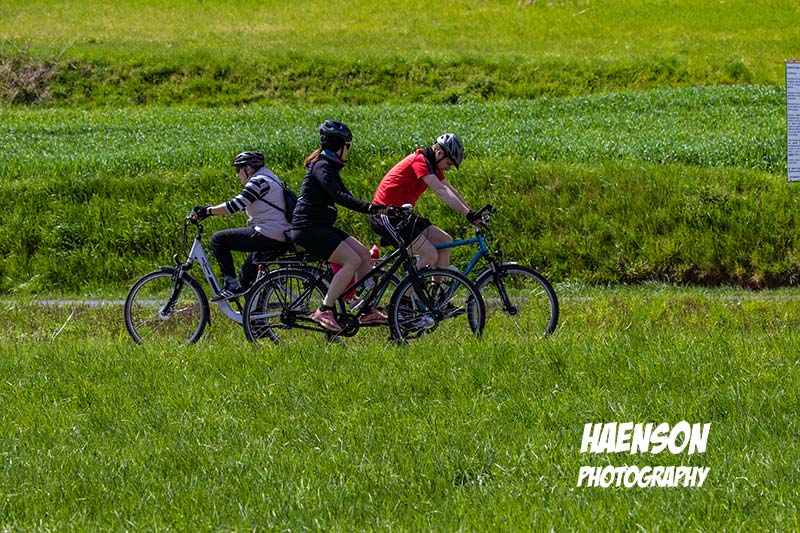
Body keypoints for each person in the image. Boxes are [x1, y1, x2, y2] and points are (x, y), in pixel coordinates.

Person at [289, 120, 389, 332]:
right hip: (308, 229)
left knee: (363, 254)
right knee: (351, 260)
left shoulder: (330, 166)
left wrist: (378, 208)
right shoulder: (322, 166)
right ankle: (324, 310)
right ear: (338, 146)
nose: (349, 150)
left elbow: (347, 196)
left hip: (320, 226)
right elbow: (339, 196)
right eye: (347, 145)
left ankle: (364, 309)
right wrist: (373, 208)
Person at [370, 133, 480, 268]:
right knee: (429, 255)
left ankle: (438, 283)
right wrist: (467, 214)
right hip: (385, 215)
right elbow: (441, 190)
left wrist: (471, 212)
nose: (448, 168)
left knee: (445, 242)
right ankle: (409, 282)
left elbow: (450, 189)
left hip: (402, 215)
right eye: (449, 163)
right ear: (439, 153)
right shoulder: (420, 160)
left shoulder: (432, 166)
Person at [192, 151, 290, 301]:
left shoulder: (258, 181)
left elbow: (235, 205)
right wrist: (211, 209)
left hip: (268, 233)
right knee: (246, 276)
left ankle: (230, 285)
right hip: (279, 234)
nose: (237, 174)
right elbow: (246, 205)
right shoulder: (269, 177)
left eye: (238, 169)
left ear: (248, 168)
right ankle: (257, 312)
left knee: (218, 239)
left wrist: (207, 211)